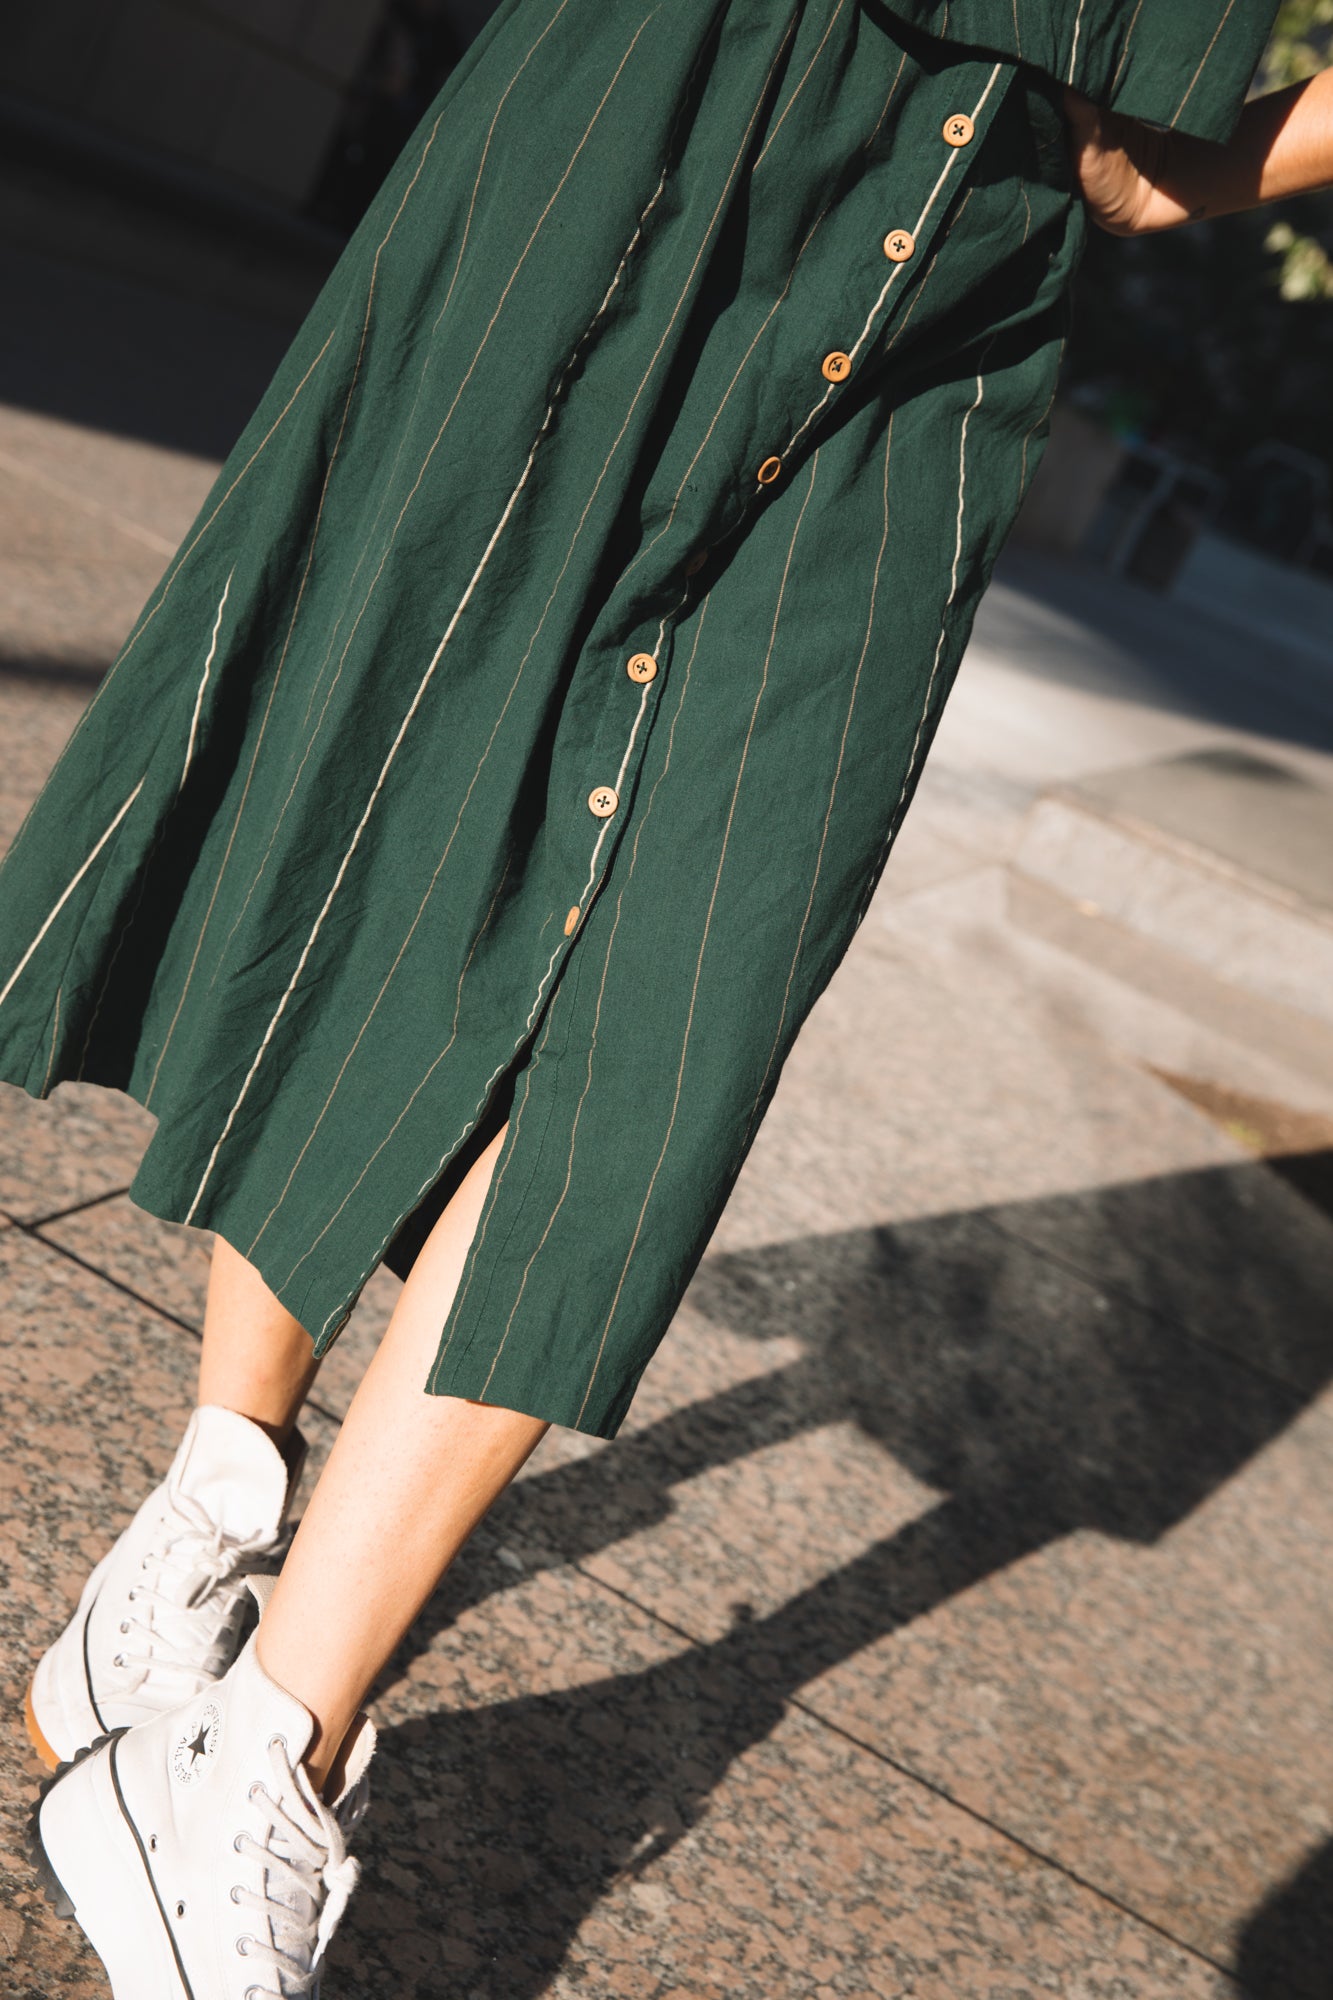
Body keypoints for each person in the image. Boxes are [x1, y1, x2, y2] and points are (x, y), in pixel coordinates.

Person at [3, 2, 1327, 1993]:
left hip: (981, 250)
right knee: (410, 809)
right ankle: (218, 1492)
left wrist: (1196, 156)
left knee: (683, 1001)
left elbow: (1158, 158)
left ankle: (251, 1754)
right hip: (662, 97)